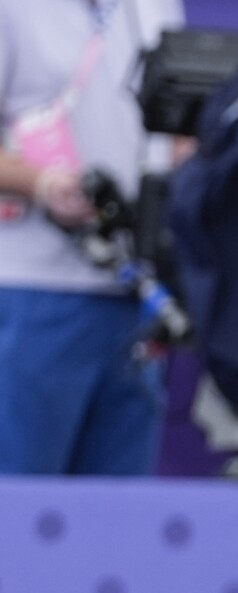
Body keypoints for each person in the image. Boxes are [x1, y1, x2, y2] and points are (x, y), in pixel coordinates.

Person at [0, 0, 184, 475]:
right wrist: (41, 183)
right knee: (18, 504)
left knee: (113, 516)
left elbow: (176, 126)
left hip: (136, 293)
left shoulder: (155, 7)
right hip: (31, 290)